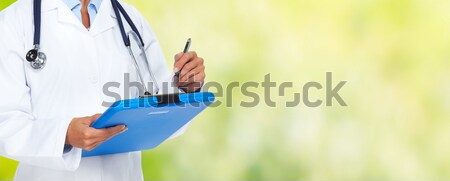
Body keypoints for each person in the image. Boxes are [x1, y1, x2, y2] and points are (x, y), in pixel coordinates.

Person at [0, 0, 206, 180]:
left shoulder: (130, 19)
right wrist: (64, 135)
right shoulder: (13, 22)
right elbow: (6, 123)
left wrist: (186, 87)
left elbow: (158, 103)